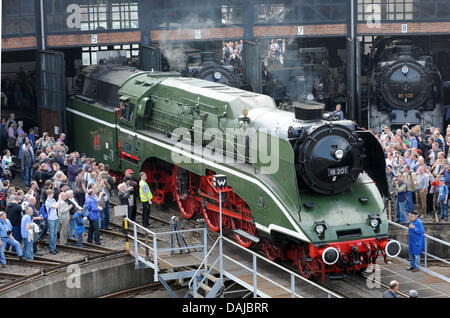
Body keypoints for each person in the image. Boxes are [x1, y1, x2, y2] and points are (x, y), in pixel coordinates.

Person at [45, 189, 59, 255]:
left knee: (55, 234)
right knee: (51, 234)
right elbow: (56, 206)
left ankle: (54, 247)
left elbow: (57, 206)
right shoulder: (47, 201)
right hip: (51, 219)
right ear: (48, 194)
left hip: (55, 218)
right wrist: (60, 198)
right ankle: (51, 248)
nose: (53, 194)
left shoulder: (53, 200)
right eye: (51, 194)